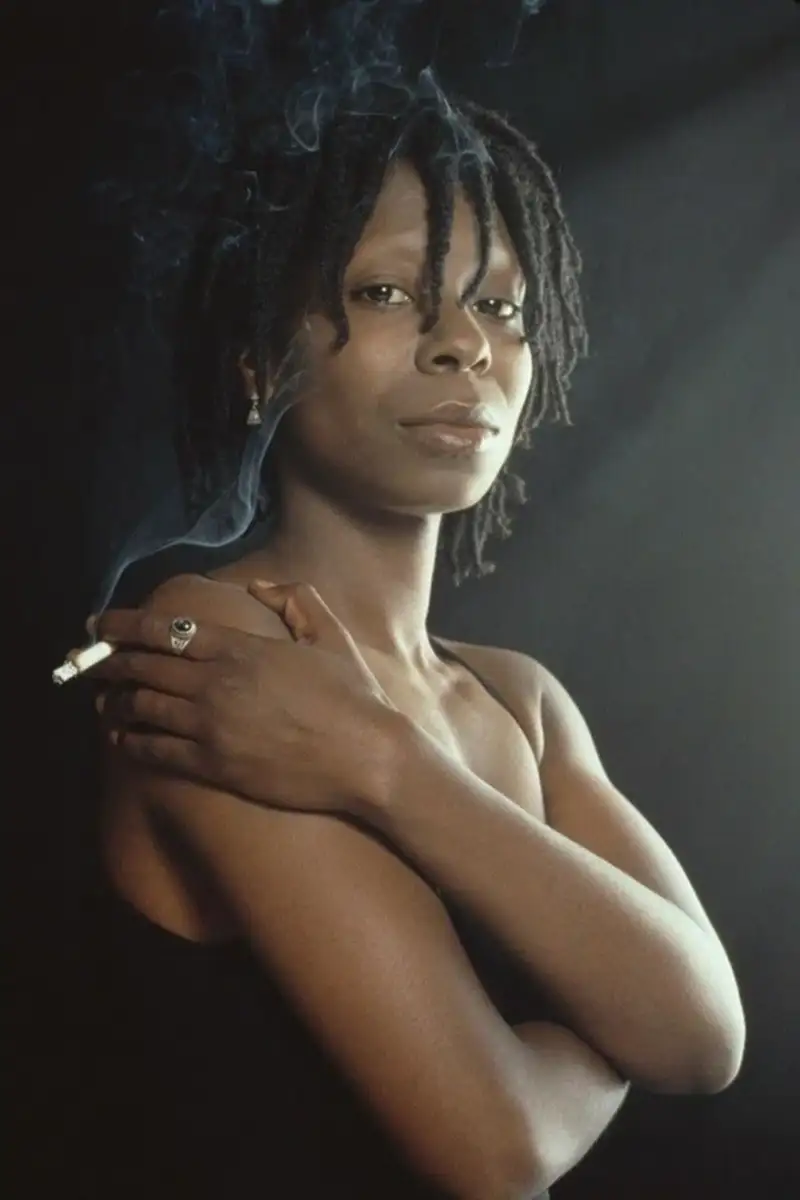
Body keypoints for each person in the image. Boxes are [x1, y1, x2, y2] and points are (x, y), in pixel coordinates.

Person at [68, 90, 745, 1200]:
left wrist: (384, 764)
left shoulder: (518, 700)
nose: (465, 345)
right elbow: (496, 1151)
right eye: (386, 293)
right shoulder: (220, 647)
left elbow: (708, 1036)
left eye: (502, 307)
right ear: (256, 359)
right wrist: (610, 1022)